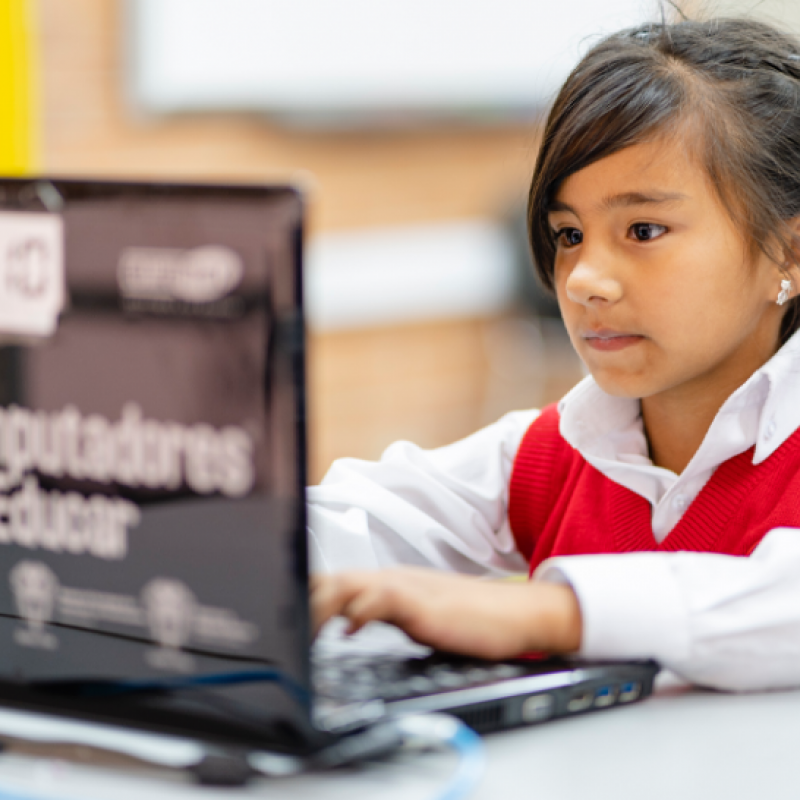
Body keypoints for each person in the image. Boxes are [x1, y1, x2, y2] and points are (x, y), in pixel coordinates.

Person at [309, 16, 800, 692]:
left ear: (789, 253)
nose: (582, 280)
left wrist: (552, 614)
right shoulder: (555, 453)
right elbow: (347, 522)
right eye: (568, 234)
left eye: (643, 229)